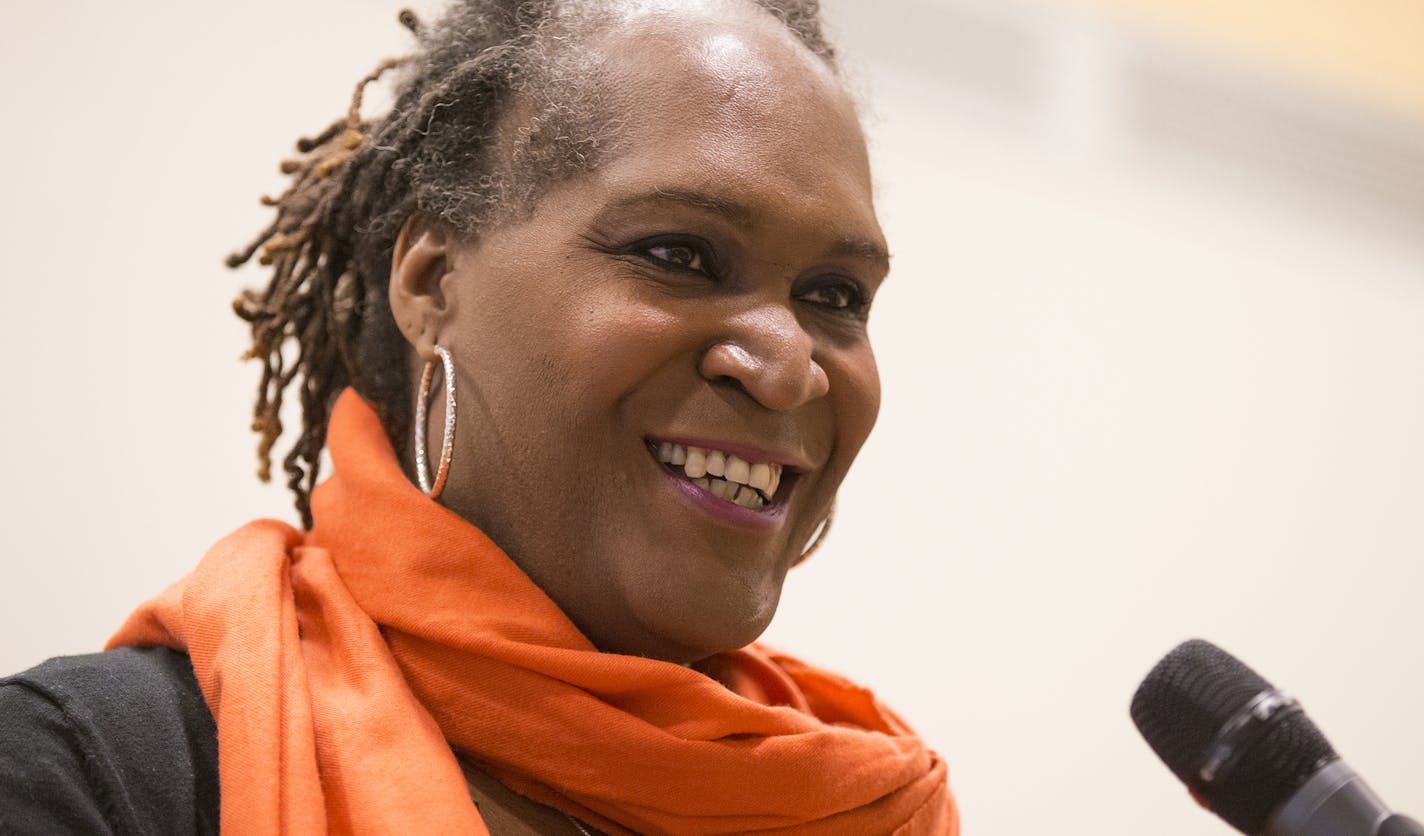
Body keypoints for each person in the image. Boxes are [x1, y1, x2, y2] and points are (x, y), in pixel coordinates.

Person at [0, 0, 957, 832]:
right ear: (431, 280)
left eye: (836, 294)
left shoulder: (867, 806)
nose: (790, 370)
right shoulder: (91, 778)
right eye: (681, 254)